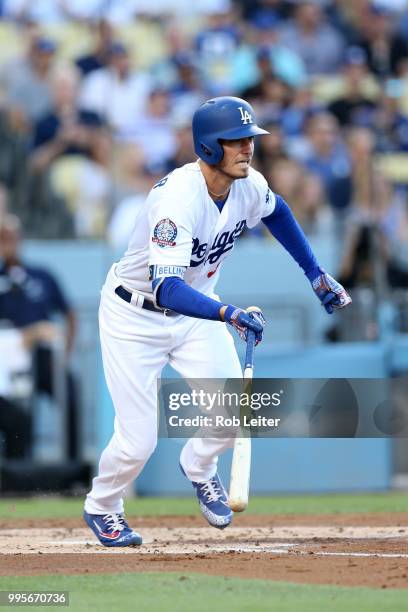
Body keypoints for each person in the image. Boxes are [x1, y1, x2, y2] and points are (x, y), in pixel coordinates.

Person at [83, 96, 351, 547]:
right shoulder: (176, 200)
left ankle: (199, 466)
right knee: (137, 442)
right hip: (135, 315)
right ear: (209, 147)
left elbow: (278, 212)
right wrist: (228, 314)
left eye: (250, 139)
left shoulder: (246, 183)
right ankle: (103, 505)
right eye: (236, 141)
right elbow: (167, 288)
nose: (248, 148)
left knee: (233, 416)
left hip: (197, 310)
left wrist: (315, 274)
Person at [0, 214, 80, 460]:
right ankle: (18, 469)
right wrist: (28, 334)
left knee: (70, 392)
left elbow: (69, 314)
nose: (8, 243)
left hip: (43, 356)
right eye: (2, 238)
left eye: (12, 237)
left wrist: (65, 354)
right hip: (7, 361)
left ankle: (71, 463)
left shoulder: (41, 276)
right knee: (19, 410)